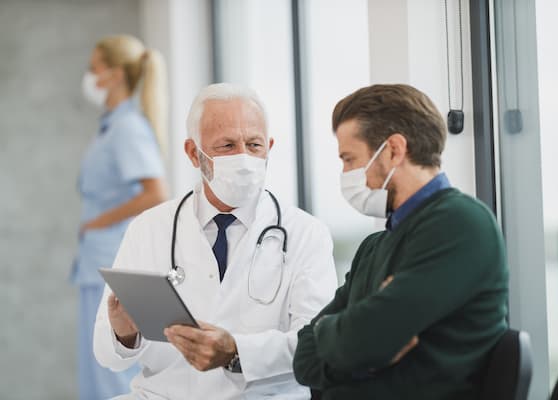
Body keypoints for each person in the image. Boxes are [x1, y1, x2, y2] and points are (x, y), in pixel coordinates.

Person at [93, 83, 338, 399]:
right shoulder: (150, 228)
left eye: (254, 145)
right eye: (227, 146)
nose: (244, 158)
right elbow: (106, 355)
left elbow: (317, 344)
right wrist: (124, 334)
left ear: (270, 147)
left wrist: (237, 351)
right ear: (194, 153)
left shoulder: (306, 233)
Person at [293, 84, 509, 399]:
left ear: (394, 150)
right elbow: (304, 358)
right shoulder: (374, 247)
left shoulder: (460, 223)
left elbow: (362, 340)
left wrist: (332, 330)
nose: (345, 173)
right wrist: (354, 342)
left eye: (349, 159)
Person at [72, 35, 168, 399]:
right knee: (97, 373)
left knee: (111, 373)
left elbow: (156, 192)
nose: (89, 76)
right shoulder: (112, 125)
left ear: (113, 74)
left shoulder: (128, 127)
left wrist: (96, 222)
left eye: (94, 67)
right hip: (96, 261)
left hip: (110, 261)